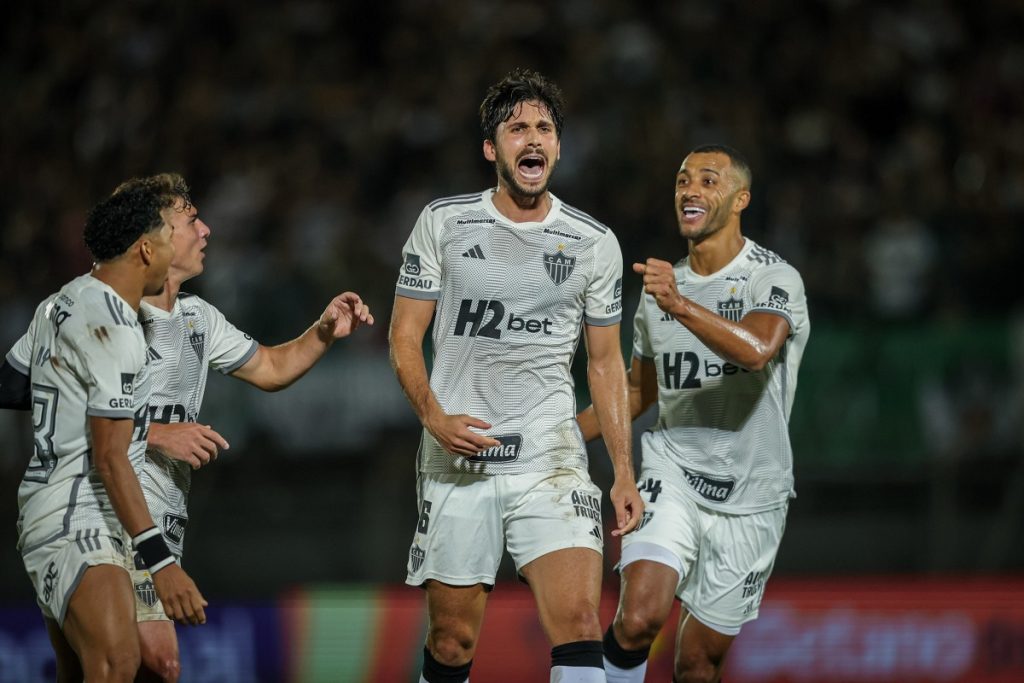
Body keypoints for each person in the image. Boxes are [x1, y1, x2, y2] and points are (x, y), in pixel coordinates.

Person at [4, 173, 375, 682]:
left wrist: (323, 331)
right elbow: (90, 437)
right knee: (125, 663)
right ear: (151, 241)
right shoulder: (107, 316)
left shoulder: (195, 317)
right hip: (87, 508)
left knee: (147, 667)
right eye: (191, 220)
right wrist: (151, 433)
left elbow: (270, 368)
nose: (206, 230)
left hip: (145, 514)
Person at [388, 68, 644, 683]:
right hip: (460, 460)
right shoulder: (444, 222)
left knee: (580, 622)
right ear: (491, 148)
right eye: (517, 128)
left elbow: (605, 362)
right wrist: (433, 418)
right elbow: (404, 336)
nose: (533, 138)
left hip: (550, 460)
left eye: (545, 129)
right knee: (452, 642)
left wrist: (623, 472)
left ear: (558, 146)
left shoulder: (593, 242)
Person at [577, 145, 811, 683]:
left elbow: (757, 349)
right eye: (683, 180)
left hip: (754, 495)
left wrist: (680, 304)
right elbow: (638, 392)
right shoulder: (660, 290)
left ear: (740, 199)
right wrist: (563, 435)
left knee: (697, 662)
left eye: (708, 180)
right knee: (638, 617)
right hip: (673, 471)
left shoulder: (773, 278)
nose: (691, 189)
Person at [0, 175, 207, 682]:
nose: (173, 252)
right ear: (146, 249)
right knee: (118, 664)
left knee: (85, 671)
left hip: (50, 508)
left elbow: (9, 384)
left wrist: (74, 396)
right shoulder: (117, 327)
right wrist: (162, 564)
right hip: (78, 514)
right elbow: (112, 458)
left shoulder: (62, 301)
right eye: (168, 238)